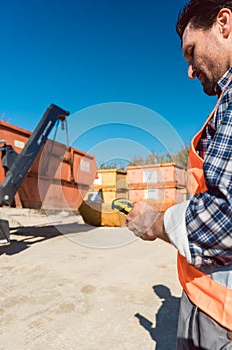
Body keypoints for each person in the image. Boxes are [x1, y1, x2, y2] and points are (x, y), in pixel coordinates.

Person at [126, 1, 232, 349]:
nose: (189, 70)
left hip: (220, 313)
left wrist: (155, 224)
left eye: (192, 51)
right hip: (205, 297)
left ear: (224, 24)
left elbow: (225, 213)